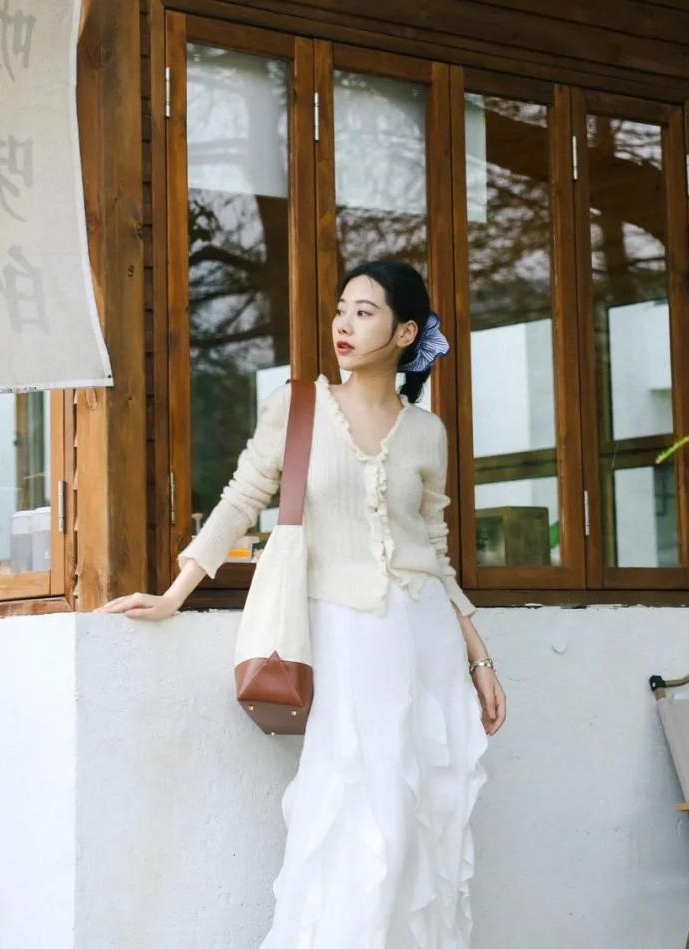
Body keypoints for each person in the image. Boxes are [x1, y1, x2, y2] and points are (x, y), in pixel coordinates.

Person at [96, 258, 506, 947]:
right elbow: (242, 499)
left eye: (365, 312)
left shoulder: (426, 432)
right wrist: (172, 594)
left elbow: (435, 552)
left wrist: (480, 657)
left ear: (406, 332)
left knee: (423, 818)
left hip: (425, 636)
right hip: (345, 633)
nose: (344, 324)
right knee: (359, 808)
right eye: (342, 309)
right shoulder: (300, 407)